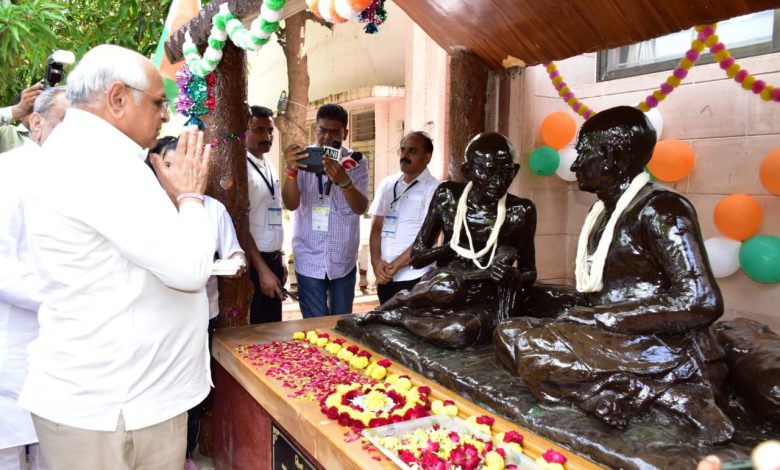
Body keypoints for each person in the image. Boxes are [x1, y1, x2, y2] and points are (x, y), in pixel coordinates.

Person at [19, 45, 214, 470]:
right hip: (112, 408)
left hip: (125, 402)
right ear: (118, 98)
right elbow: (189, 269)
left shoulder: (99, 154)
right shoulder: (96, 161)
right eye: (159, 102)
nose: (166, 115)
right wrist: (191, 195)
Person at [493, 106, 733, 445]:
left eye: (583, 153)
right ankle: (615, 396)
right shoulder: (600, 212)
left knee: (535, 352)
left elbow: (700, 300)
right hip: (612, 338)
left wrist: (599, 319)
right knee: (507, 333)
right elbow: (600, 289)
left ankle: (670, 396)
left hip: (660, 346)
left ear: (611, 157)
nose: (575, 165)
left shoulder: (661, 208)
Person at [353, 132, 537, 349]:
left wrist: (511, 274)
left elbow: (529, 271)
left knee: (457, 333)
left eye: (506, 172)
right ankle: (400, 307)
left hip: (485, 295)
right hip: (442, 289)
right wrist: (450, 248)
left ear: (515, 171)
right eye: (487, 171)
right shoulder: (448, 195)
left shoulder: (520, 211)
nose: (497, 181)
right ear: (467, 171)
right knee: (447, 286)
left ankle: (400, 317)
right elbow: (419, 256)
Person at [147, 137, 246, 470]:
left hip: (202, 314)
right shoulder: (144, 209)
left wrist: (235, 263)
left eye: (186, 164)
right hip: (154, 318)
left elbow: (234, 252)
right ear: (156, 167)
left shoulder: (212, 208)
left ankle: (184, 455)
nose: (181, 172)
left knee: (191, 387)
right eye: (171, 165)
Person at [0, 86, 68, 470]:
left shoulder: (83, 178)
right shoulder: (8, 172)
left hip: (63, 345)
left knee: (55, 452)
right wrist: (65, 298)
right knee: (9, 452)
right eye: (65, 124)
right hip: (12, 341)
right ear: (37, 123)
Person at [282, 103, 369, 317]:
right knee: (313, 325)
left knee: (341, 323)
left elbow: (360, 207)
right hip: (309, 257)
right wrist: (291, 172)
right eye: (322, 130)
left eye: (335, 131)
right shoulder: (302, 159)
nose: (327, 137)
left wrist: (344, 181)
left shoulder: (357, 162)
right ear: (315, 130)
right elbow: (291, 204)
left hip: (343, 258)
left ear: (345, 133)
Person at [369, 131, 439, 305]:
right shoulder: (387, 184)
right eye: (403, 150)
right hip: (385, 276)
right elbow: (376, 226)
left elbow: (428, 237)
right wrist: (376, 262)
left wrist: (395, 266)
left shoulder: (434, 189)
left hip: (415, 277)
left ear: (427, 157)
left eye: (413, 151)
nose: (405, 155)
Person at [238, 105, 287, 324]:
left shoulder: (268, 164)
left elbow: (271, 216)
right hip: (255, 264)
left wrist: (281, 257)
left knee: (273, 329)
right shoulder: (241, 168)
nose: (267, 136)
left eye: (270, 131)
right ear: (245, 131)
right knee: (256, 334)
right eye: (259, 130)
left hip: (273, 260)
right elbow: (241, 225)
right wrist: (263, 270)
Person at [0, 82, 44, 153]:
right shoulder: (6, 132)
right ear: (20, 115)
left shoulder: (54, 137)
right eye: (33, 108)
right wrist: (17, 110)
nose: (38, 114)